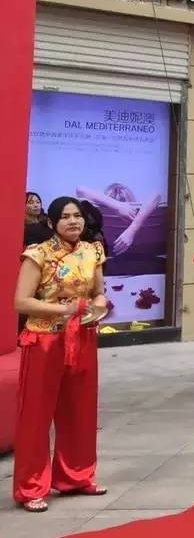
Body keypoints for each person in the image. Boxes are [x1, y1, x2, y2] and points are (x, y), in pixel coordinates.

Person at [12, 197, 109, 512]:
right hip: (44, 341)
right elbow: (21, 302)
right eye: (65, 216)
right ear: (52, 223)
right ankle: (31, 487)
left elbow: (98, 292)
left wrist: (98, 306)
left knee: (80, 411)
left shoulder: (92, 251)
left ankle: (76, 477)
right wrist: (64, 310)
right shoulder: (38, 254)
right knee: (36, 415)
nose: (73, 221)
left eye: (77, 215)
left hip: (82, 338)